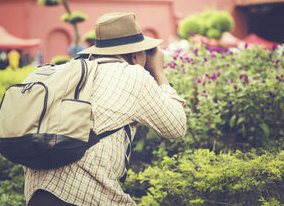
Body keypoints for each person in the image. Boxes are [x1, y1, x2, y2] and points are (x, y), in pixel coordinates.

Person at [24, 12, 187, 206]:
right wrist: (158, 72)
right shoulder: (132, 74)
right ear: (135, 55)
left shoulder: (69, 71)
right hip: (84, 197)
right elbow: (176, 127)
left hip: (37, 194)